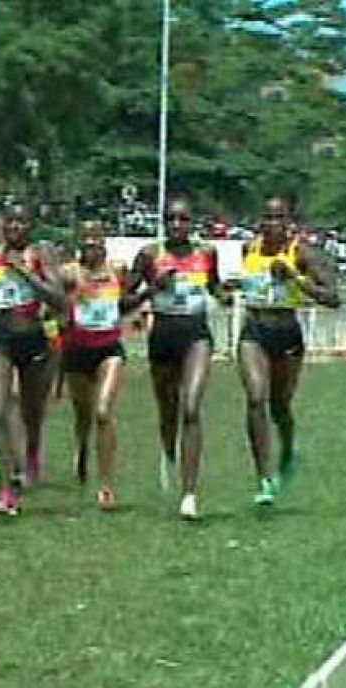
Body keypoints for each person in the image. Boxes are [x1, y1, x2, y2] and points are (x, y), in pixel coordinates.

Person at [236, 195, 339, 506]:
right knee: (256, 398)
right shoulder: (249, 248)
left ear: (290, 223)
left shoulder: (302, 252)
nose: (273, 225)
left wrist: (295, 277)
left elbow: (332, 297)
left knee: (279, 405)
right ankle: (264, 478)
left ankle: (290, 449)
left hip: (287, 334)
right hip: (254, 331)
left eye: (280, 218)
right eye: (268, 218)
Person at [131, 197, 218, 520]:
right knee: (168, 411)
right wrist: (152, 289)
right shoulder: (150, 255)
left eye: (183, 219)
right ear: (163, 222)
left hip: (197, 336)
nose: (177, 226)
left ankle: (190, 493)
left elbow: (215, 287)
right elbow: (123, 301)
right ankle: (168, 456)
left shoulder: (206, 253)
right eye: (171, 220)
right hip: (163, 338)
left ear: (192, 223)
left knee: (191, 407)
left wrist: (231, 292)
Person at [0, 201, 63, 516]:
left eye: (21, 222)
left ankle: (30, 456)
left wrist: (27, 273)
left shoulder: (41, 253)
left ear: (31, 226)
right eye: (10, 222)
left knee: (32, 412)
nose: (15, 228)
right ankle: (5, 487)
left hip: (32, 337)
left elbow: (58, 299)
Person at [60, 218, 144, 510]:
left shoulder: (117, 270)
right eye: (85, 237)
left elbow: (126, 303)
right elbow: (56, 303)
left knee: (103, 412)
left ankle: (106, 485)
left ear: (104, 240)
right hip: (76, 350)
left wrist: (148, 294)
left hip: (109, 349)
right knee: (83, 415)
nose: (91, 242)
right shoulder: (69, 272)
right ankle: (83, 449)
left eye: (96, 236)